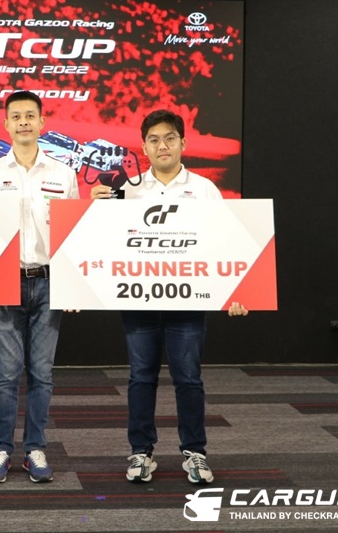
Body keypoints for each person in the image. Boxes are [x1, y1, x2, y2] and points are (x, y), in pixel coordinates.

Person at [90, 109, 248, 485]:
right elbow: (101, 239)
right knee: (140, 378)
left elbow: (227, 242)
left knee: (189, 379)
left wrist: (238, 290)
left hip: (188, 303)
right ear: (144, 147)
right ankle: (141, 452)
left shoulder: (205, 190)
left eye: (170, 138)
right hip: (138, 301)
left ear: (183, 143)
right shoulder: (126, 190)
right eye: (154, 140)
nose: (162, 145)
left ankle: (195, 452)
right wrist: (93, 206)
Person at [0, 91, 79, 483]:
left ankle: (35, 448)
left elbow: (72, 234)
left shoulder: (63, 174)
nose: (23, 122)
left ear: (42, 122)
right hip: (5, 282)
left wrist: (75, 286)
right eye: (15, 116)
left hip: (49, 282)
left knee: (42, 373)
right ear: (5, 124)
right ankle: (1, 448)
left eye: (30, 116)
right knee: (6, 373)